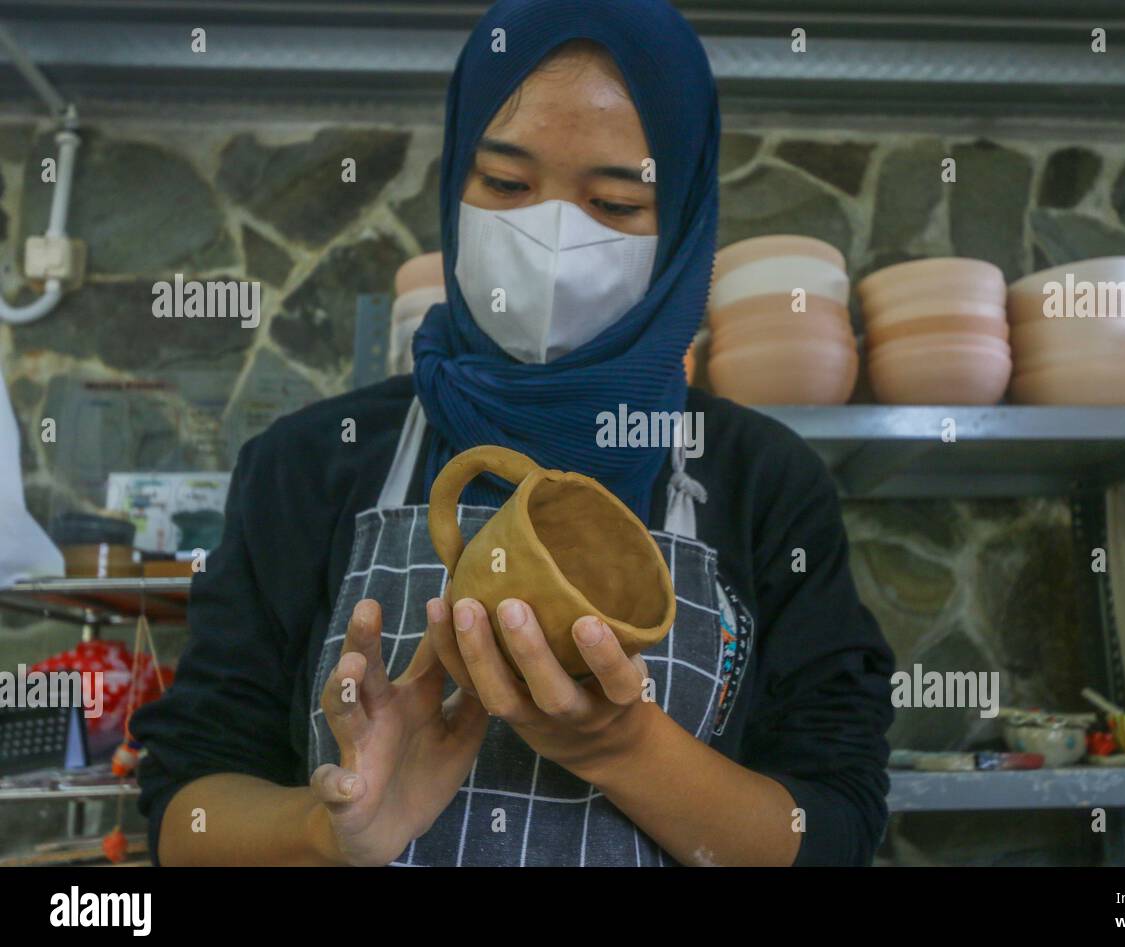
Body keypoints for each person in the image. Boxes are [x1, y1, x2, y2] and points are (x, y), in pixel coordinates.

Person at [131, 0, 894, 867]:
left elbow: (835, 828)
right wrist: (327, 831)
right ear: (455, 181)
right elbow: (187, 805)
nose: (554, 238)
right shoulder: (312, 462)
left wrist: (624, 750)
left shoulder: (764, 481)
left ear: (681, 223)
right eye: (505, 186)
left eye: (614, 201)